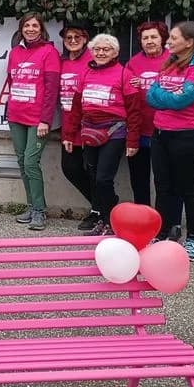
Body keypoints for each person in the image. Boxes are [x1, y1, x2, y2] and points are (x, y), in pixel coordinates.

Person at [146, 21, 194, 261]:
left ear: (189, 42)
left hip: (186, 136)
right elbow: (150, 96)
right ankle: (163, 232)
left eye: (174, 38)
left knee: (187, 189)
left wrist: (164, 96)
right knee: (163, 187)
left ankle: (193, 239)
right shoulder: (170, 63)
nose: (169, 42)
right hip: (160, 134)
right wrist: (167, 96)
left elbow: (180, 101)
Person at [62, 34, 143, 236]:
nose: (100, 53)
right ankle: (102, 218)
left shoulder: (124, 74)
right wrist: (69, 135)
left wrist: (132, 141)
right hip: (90, 131)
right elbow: (75, 108)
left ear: (115, 53)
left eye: (106, 49)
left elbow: (134, 111)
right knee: (93, 176)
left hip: (114, 133)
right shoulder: (85, 73)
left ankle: (111, 221)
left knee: (103, 179)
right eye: (97, 49)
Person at [5, 13, 61, 230]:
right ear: (21, 29)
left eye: (35, 25)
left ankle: (39, 210)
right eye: (26, 25)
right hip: (16, 116)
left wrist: (46, 120)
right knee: (22, 162)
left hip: (38, 119)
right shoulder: (15, 52)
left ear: (41, 29)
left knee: (30, 162)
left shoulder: (49, 52)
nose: (30, 29)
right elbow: (12, 81)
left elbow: (51, 90)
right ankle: (31, 206)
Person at [58, 20, 98, 230]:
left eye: (77, 37)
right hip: (68, 124)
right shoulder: (61, 62)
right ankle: (104, 204)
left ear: (85, 39)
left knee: (94, 171)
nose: (73, 41)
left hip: (91, 125)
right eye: (68, 38)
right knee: (70, 168)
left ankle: (98, 211)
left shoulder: (93, 60)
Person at [125, 21, 171, 207]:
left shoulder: (174, 60)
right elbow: (125, 92)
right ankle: (142, 216)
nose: (149, 41)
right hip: (139, 130)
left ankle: (163, 218)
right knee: (139, 179)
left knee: (164, 180)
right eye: (145, 38)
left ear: (163, 39)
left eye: (154, 37)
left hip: (165, 130)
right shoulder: (133, 63)